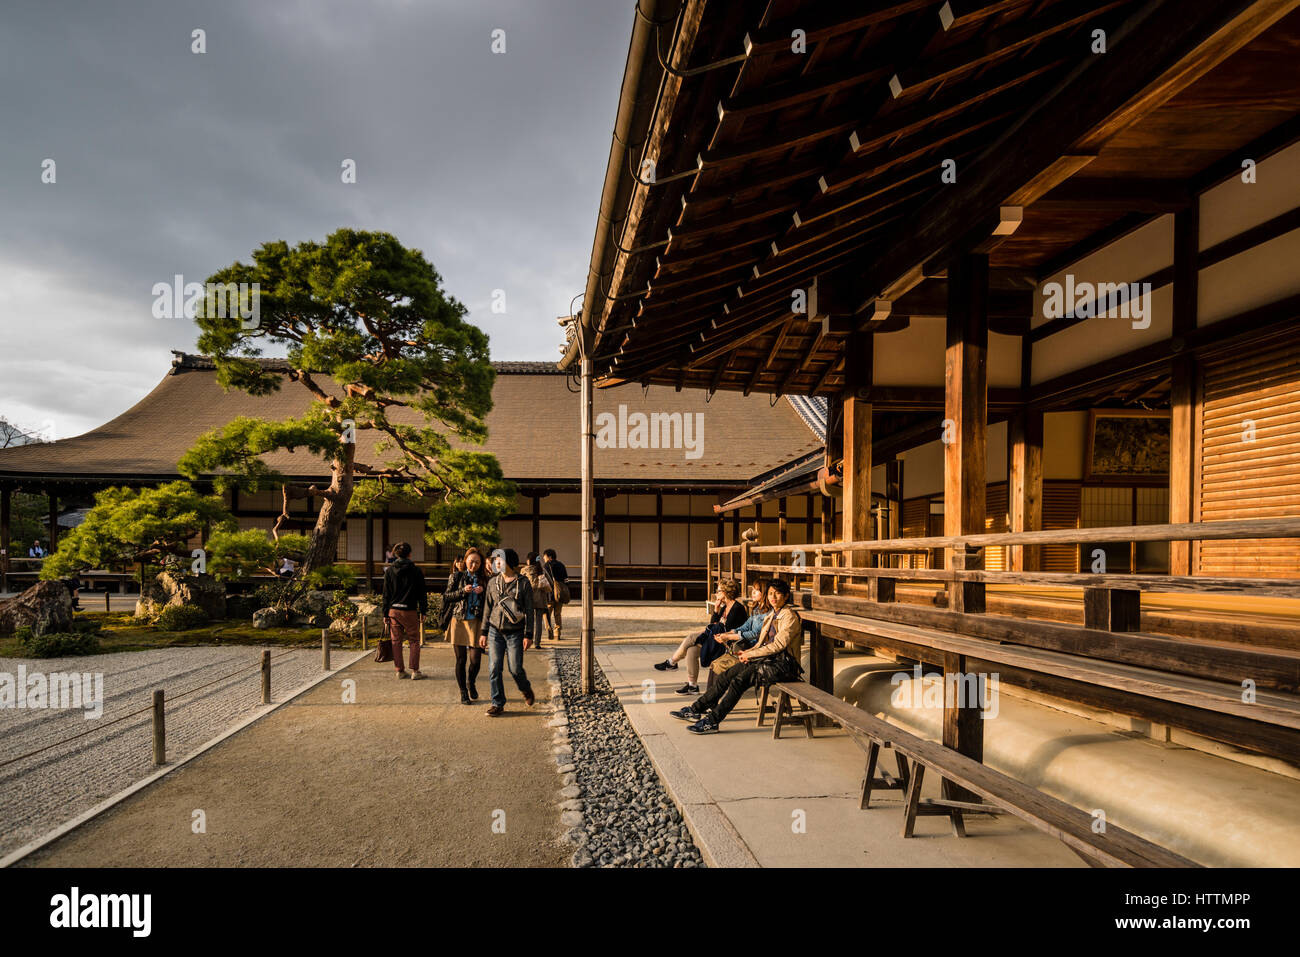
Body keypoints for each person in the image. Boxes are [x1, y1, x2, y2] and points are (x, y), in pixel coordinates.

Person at [670, 578, 803, 734]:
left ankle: (712, 721)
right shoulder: (773, 614)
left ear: (786, 596)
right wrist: (748, 653)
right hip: (767, 661)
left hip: (783, 666)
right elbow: (762, 641)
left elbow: (778, 645)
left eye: (778, 594)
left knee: (738, 682)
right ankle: (695, 709)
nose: (773, 597)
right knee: (725, 676)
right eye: (771, 594)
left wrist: (751, 653)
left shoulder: (789, 617)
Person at [651, 578, 749, 695]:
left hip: (727, 644)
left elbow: (727, 630)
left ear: (725, 592)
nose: (717, 593)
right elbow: (713, 623)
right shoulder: (724, 607)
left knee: (692, 638)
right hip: (716, 639)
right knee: (692, 650)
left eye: (718, 591)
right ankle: (692, 686)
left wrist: (716, 627)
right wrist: (716, 610)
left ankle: (672, 662)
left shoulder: (737, 608)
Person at [479, 548, 536, 716]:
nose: (497, 563)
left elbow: (530, 611)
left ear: (509, 562)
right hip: (494, 631)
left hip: (515, 633)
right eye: (496, 560)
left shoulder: (523, 583)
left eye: (500, 560)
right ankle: (497, 703)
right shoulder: (492, 583)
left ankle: (525, 689)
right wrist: (483, 631)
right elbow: (487, 609)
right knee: (494, 667)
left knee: (515, 668)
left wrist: (529, 634)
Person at [444, 548, 486, 703]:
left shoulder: (484, 579)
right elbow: (447, 597)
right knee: (461, 660)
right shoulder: (456, 576)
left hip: (476, 621)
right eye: (471, 561)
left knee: (475, 660)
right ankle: (463, 692)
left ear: (481, 564)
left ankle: (471, 682)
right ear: (465, 561)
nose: (473, 565)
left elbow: (490, 601)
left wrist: (483, 591)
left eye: (477, 562)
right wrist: (463, 591)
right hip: (459, 620)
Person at [382, 541, 428, 680]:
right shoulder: (416, 570)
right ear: (410, 554)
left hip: (394, 610)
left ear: (395, 554)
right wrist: (423, 610)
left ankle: (399, 670)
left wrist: (385, 613)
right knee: (414, 640)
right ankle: (415, 670)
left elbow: (386, 594)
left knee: (396, 641)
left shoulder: (390, 571)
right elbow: (422, 592)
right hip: (410, 610)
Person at [521, 552, 553, 648]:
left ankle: (525, 640)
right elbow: (550, 583)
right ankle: (537, 643)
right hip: (540, 599)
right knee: (538, 622)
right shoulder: (541, 570)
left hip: (527, 599)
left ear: (528, 560)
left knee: (526, 620)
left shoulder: (524, 571)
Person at [540, 548, 568, 640]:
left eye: (544, 556)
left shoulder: (545, 566)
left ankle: (549, 629)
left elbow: (543, 581)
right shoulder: (561, 565)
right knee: (558, 613)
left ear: (549, 556)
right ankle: (558, 632)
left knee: (546, 613)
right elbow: (566, 580)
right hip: (559, 594)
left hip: (549, 595)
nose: (544, 558)